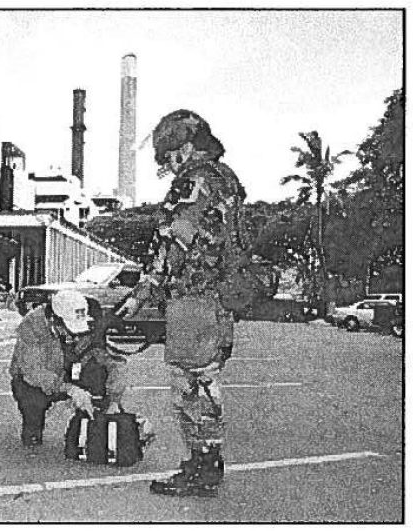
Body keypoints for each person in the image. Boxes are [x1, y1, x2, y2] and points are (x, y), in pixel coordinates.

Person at [118, 109, 249, 497]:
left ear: (186, 147)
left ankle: (202, 467)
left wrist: (142, 293)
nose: (165, 164)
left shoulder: (192, 182)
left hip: (194, 300)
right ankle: (206, 462)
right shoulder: (227, 180)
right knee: (205, 382)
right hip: (219, 300)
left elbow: (172, 243)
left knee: (191, 388)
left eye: (167, 155)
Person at [9, 290, 127, 449]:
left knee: (98, 373)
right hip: (39, 378)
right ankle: (32, 429)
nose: (74, 337)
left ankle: (94, 423)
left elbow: (112, 363)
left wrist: (114, 399)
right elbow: (33, 371)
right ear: (54, 320)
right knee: (30, 395)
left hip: (72, 369)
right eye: (69, 329)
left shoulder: (92, 321)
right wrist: (70, 389)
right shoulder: (31, 326)